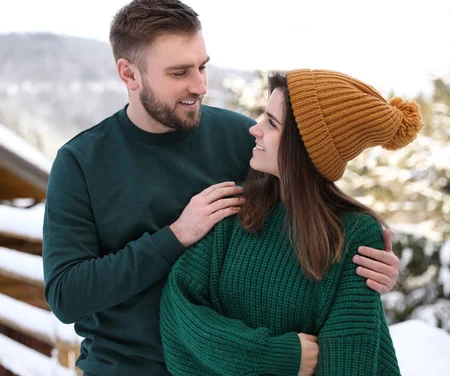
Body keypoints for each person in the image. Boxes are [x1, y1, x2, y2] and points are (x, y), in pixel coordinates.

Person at [42, 0, 400, 376]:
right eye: (179, 73)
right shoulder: (80, 162)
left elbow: (305, 215)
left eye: (202, 67)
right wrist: (176, 235)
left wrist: (369, 266)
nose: (199, 86)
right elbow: (66, 296)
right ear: (129, 74)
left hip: (230, 366)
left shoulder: (239, 139)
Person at [160, 69, 423, 375]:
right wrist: (276, 355)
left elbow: (349, 360)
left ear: (306, 146)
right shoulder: (236, 208)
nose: (254, 130)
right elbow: (178, 314)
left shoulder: (354, 233)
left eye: (271, 123)